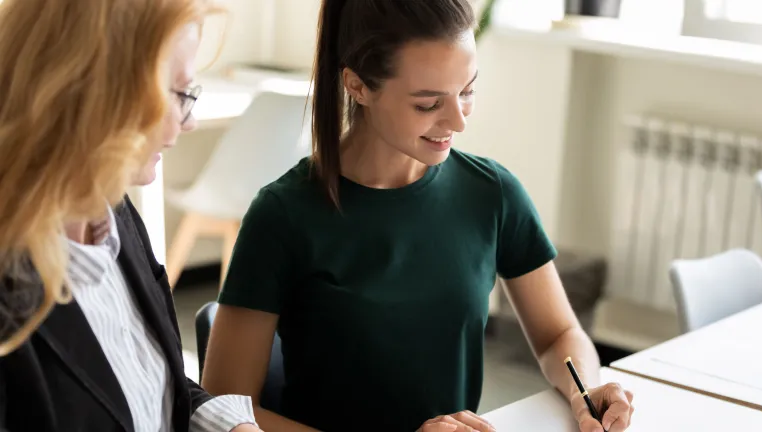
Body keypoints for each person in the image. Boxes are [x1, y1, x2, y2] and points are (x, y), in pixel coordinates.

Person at [201, 1, 635, 431]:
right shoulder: (282, 216)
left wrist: (584, 391)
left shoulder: (492, 194)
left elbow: (558, 334)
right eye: (428, 104)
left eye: (467, 92)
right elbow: (224, 409)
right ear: (357, 86)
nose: (458, 122)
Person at [0, 0, 261, 431]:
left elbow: (148, 386)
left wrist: (231, 425)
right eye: (180, 94)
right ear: (100, 90)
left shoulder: (113, 214)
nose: (189, 119)